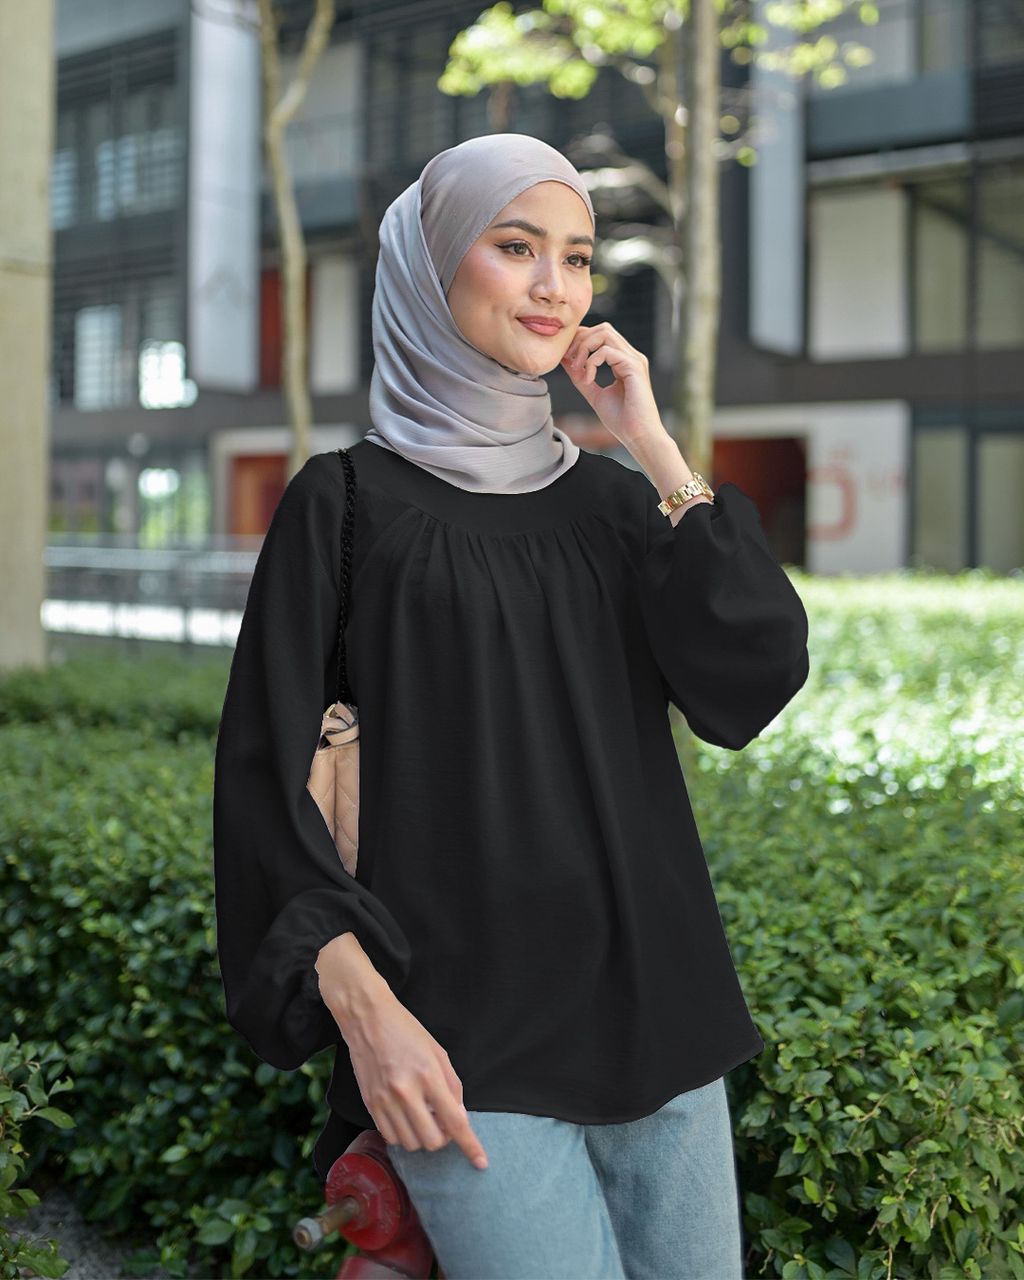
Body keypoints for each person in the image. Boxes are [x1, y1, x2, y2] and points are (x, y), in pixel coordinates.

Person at [212, 132, 810, 1279]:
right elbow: (260, 790)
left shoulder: (614, 505)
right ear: (433, 262)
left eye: (577, 257)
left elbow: (754, 671)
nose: (554, 285)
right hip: (461, 1045)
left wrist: (651, 443)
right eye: (517, 246)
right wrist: (371, 1018)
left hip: (663, 1015)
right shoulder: (344, 505)